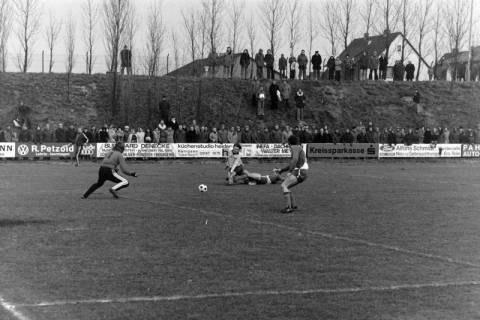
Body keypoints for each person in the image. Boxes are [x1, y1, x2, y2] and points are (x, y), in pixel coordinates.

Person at [274, 135, 308, 214]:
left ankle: (288, 208)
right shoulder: (298, 147)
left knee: (284, 185)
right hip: (302, 171)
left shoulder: (294, 147)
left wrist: (290, 171)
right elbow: (294, 162)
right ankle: (293, 206)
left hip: (300, 171)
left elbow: (295, 159)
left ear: (289, 142)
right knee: (287, 186)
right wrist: (282, 170)